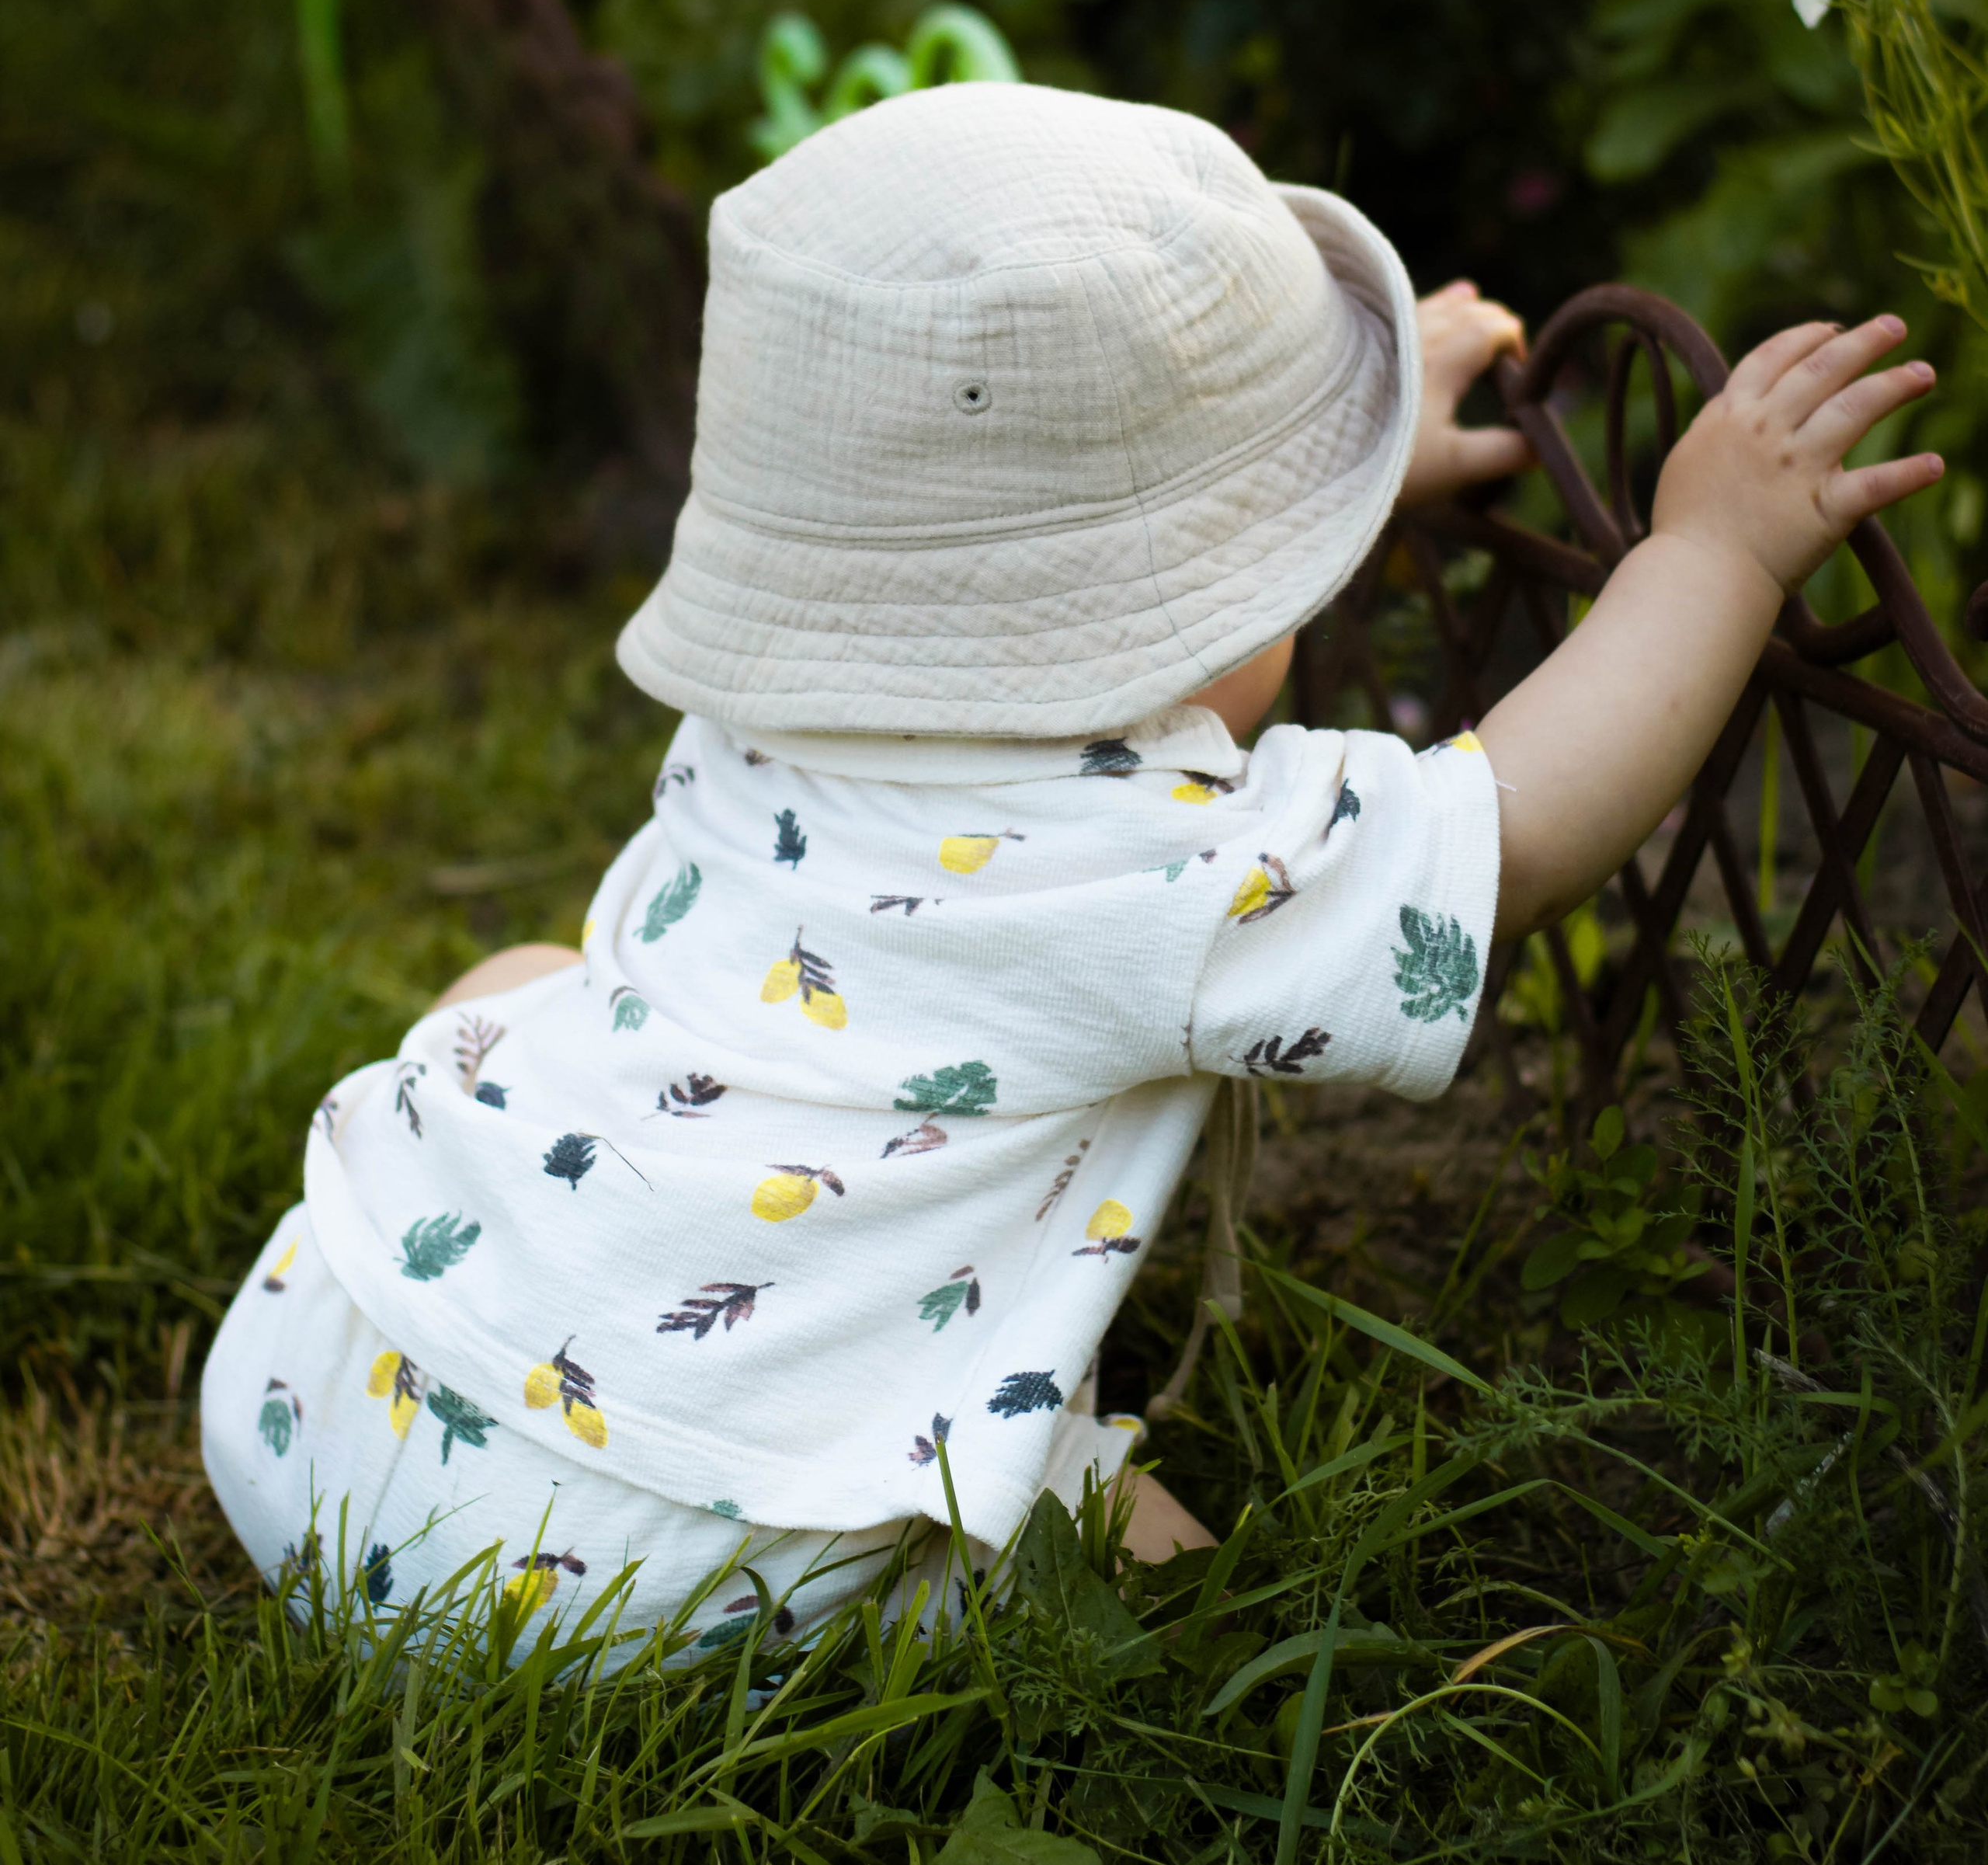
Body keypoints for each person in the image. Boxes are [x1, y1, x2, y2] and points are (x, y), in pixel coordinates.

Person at [200, 84, 1940, 1649]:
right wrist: (1710, 555)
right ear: (1198, 601)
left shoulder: (771, 706)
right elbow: (1518, 832)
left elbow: (1079, 577)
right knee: (1136, 1559)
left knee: (521, 992)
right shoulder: (1159, 867)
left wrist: (1314, 473)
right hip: (631, 1569)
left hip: (327, 1381)